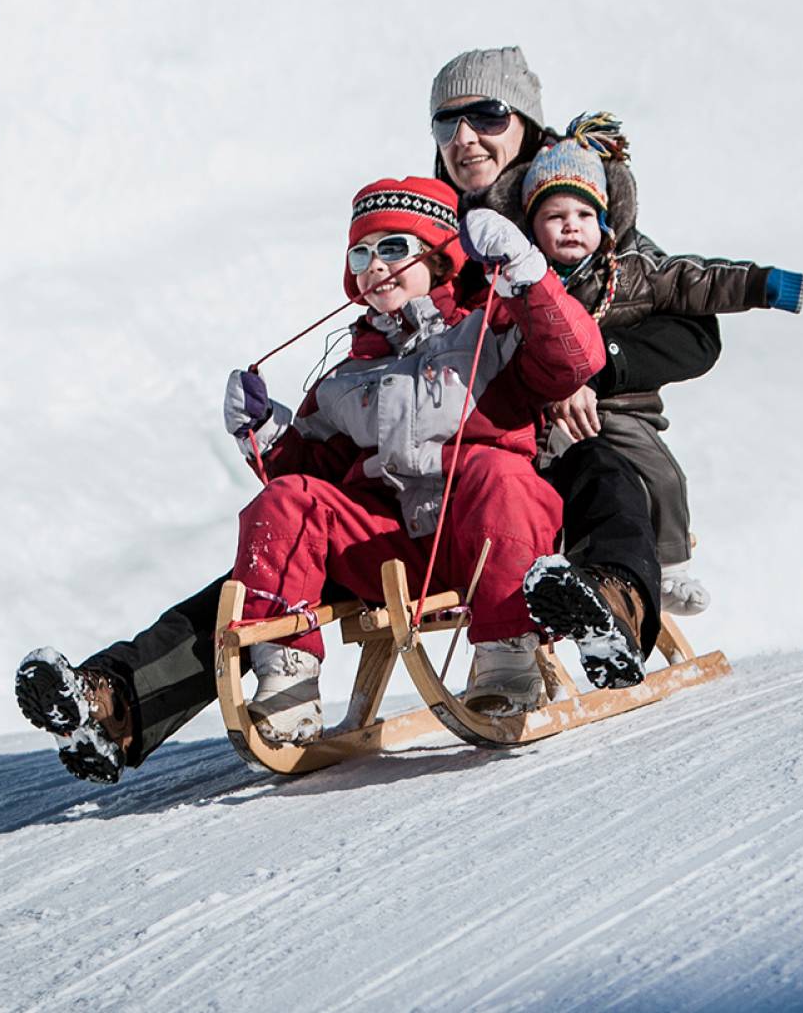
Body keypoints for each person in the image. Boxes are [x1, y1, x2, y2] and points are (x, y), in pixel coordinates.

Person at [13, 47, 743, 783]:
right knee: (283, 541)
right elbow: (341, 418)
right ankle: (118, 699)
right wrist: (274, 437)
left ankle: (606, 617)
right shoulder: (424, 214)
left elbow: (689, 325)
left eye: (487, 115)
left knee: (601, 479)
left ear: (525, 121)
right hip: (413, 464)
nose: (467, 136)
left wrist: (594, 365)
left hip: (560, 426)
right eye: (448, 120)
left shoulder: (572, 194)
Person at [221, 176, 605, 739]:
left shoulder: (487, 332)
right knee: (287, 500)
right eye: (361, 253)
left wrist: (529, 278)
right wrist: (264, 431)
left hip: (485, 539)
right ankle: (287, 680)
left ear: (440, 259)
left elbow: (573, 360)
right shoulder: (346, 376)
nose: (375, 266)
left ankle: (505, 659)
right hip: (390, 549)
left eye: (393, 249)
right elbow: (309, 475)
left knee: (496, 471)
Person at [491, 113, 803, 619]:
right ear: (531, 228)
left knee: (659, 473)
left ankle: (672, 564)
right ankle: (563, 570)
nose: (570, 225)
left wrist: (761, 284)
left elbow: (696, 282)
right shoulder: (521, 281)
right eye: (555, 217)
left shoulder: (634, 270)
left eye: (583, 214)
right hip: (545, 412)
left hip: (621, 407)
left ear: (606, 223)